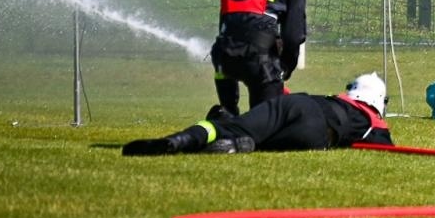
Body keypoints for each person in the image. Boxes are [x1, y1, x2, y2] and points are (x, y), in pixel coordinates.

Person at [123, 73, 393, 155]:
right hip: (316, 134)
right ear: (378, 100)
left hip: (297, 104)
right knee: (259, 142)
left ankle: (180, 140)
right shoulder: (373, 121)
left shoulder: (334, 98)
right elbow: (387, 147)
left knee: (233, 125)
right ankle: (240, 145)